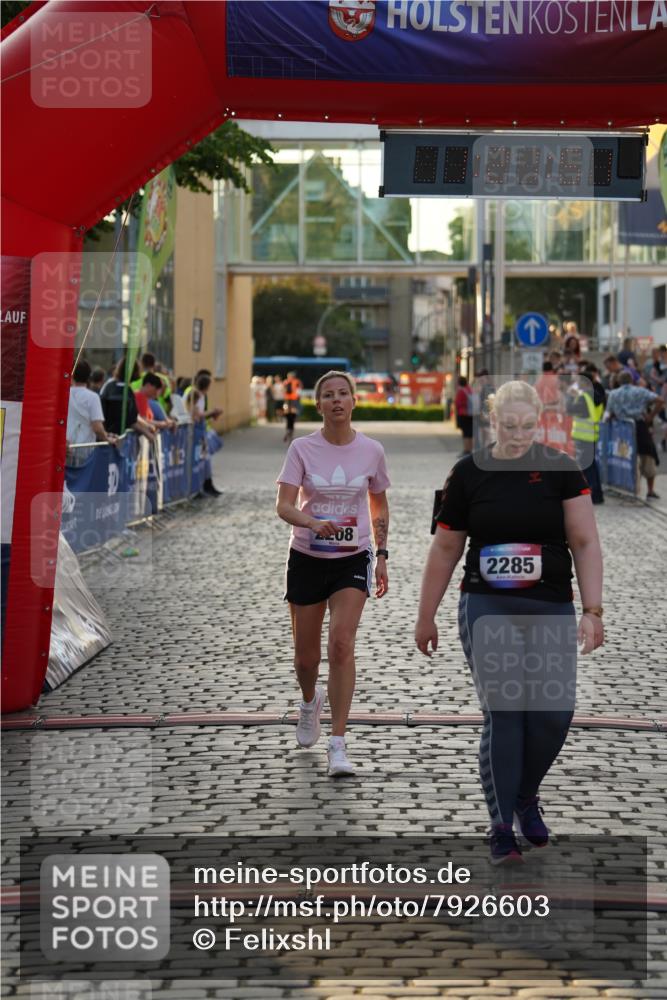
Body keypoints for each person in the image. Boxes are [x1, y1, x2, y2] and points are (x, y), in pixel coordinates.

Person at [416, 380, 603, 865]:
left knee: (551, 715)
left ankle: (525, 795)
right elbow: (445, 548)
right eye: (508, 425)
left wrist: (593, 611)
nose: (518, 436)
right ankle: (501, 825)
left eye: (527, 426)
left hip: (549, 606)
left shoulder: (562, 468)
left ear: (540, 421)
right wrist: (426, 615)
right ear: (491, 420)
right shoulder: (467, 473)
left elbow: (584, 541)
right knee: (506, 713)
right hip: (486, 605)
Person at [276, 371, 390, 778]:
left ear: (354, 401)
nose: (337, 400)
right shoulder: (302, 448)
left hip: (352, 557)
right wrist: (310, 521)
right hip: (307, 557)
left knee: (341, 644)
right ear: (318, 404)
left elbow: (378, 504)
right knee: (306, 659)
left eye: (343, 394)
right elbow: (284, 506)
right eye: (328, 395)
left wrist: (382, 555)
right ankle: (310, 702)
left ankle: (338, 745)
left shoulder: (372, 450)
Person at [605, 371, 664, 499]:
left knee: (625, 458)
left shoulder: (613, 394)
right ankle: (650, 490)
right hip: (640, 427)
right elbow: (660, 400)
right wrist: (650, 416)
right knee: (648, 456)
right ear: (632, 380)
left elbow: (608, 414)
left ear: (619, 381)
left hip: (622, 430)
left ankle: (631, 489)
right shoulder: (640, 391)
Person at [66, 359, 118, 465]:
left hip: (66, 448)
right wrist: (107, 438)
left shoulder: (65, 394)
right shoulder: (93, 397)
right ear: (89, 376)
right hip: (85, 450)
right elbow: (97, 427)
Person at [567, 364, 606, 504]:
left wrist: (570, 397)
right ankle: (597, 495)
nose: (577, 384)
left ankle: (594, 495)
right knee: (592, 467)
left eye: (579, 381)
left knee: (587, 468)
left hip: (583, 436)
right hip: (592, 435)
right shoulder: (597, 395)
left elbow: (570, 410)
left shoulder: (584, 397)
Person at [100, 357, 155, 441]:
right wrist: (147, 433)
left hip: (109, 438)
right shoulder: (125, 391)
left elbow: (133, 416)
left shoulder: (109, 386)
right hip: (116, 440)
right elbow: (130, 420)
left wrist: (146, 425)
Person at [454, 376, 473, 455]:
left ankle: (466, 450)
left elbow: (457, 403)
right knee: (470, 433)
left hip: (463, 413)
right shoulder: (469, 389)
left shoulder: (461, 391)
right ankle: (470, 450)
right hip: (471, 413)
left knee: (465, 433)